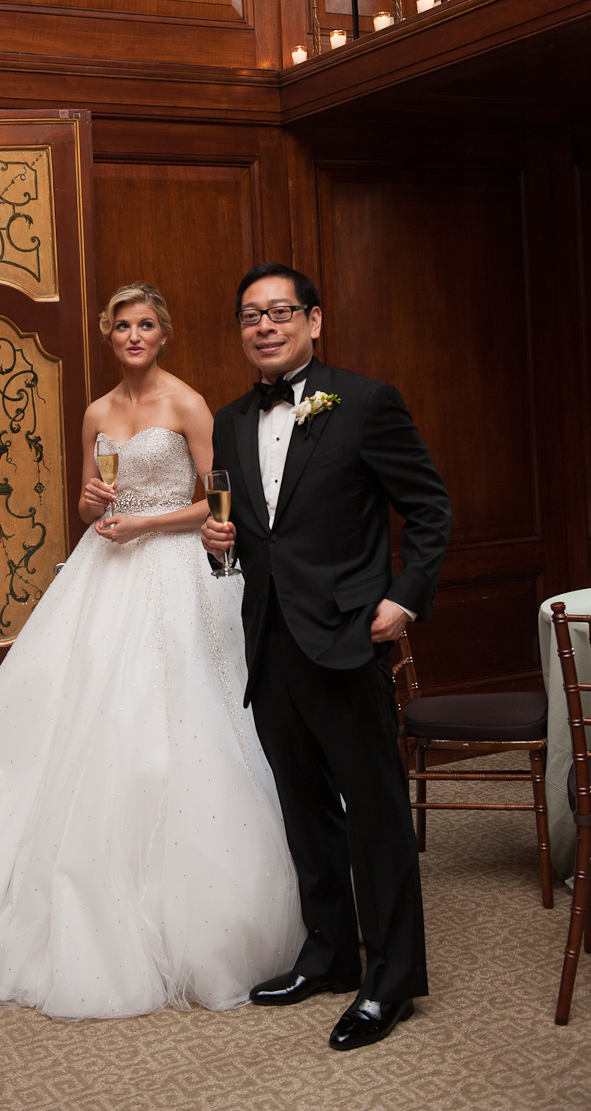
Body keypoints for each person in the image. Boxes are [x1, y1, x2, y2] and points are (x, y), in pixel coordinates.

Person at [0, 281, 303, 1019]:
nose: (133, 336)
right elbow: (84, 498)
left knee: (177, 723)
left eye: (144, 325)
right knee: (74, 719)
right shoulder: (97, 411)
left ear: (162, 333)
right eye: (121, 327)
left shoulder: (188, 403)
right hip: (103, 573)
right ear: (109, 335)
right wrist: (97, 507)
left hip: (172, 574)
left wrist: (145, 524)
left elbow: (220, 497)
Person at [201, 263, 451, 1052]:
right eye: (250, 315)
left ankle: (391, 980)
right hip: (269, 639)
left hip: (347, 637)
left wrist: (404, 596)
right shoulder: (231, 418)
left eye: (279, 312)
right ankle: (331, 954)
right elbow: (249, 533)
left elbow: (432, 506)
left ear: (314, 320)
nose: (264, 326)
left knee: (375, 817)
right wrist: (219, 548)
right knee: (304, 813)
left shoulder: (367, 402)